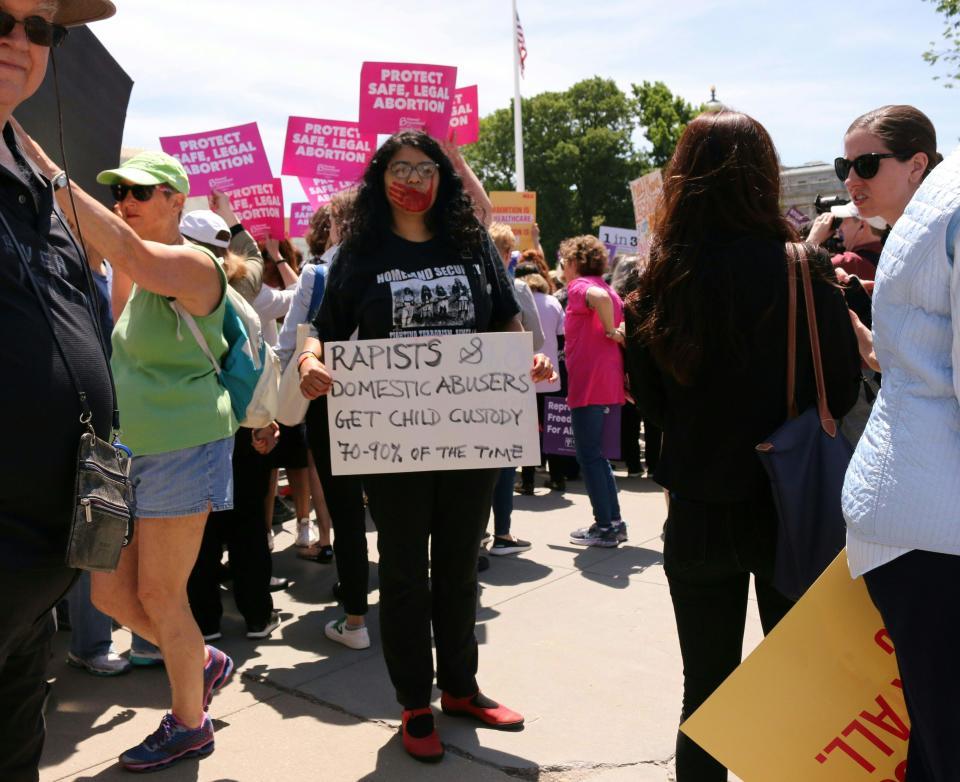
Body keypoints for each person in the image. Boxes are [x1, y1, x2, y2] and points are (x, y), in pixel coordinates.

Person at [298, 130, 553, 762]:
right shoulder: (361, 253)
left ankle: (461, 688)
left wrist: (534, 357)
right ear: (381, 177)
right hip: (394, 445)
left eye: (426, 168)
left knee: (462, 567)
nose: (413, 180)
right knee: (406, 572)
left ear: (443, 177)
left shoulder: (472, 247)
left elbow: (506, 319)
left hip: (470, 435)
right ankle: (415, 701)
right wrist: (308, 359)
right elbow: (321, 329)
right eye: (400, 168)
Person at [624, 110, 862, 782]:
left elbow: (651, 405)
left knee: (707, 690)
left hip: (699, 507)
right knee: (797, 690)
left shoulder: (654, 283)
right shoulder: (802, 269)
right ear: (763, 177)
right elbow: (840, 391)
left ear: (682, 181)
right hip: (792, 507)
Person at [13, 128, 242, 769]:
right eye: (119, 193)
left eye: (140, 192)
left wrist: (38, 158)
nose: (126, 202)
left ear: (175, 201)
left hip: (183, 447)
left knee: (165, 597)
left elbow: (129, 251)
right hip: (122, 451)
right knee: (110, 595)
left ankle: (190, 722)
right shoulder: (130, 276)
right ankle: (195, 658)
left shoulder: (196, 267)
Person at [0, 2, 116, 779]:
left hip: (39, 576)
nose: (20, 40)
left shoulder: (36, 173)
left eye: (40, 27)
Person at [838, 106, 955, 781]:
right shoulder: (932, 225)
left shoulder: (929, 225)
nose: (851, 180)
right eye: (843, 166)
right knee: (943, 733)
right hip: (926, 524)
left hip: (915, 519)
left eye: (865, 164)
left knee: (936, 731)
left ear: (917, 163)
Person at [561, 235, 628, 548]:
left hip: (589, 384)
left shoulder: (580, 287)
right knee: (598, 457)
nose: (562, 269)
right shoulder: (612, 290)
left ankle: (605, 526)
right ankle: (612, 522)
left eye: (564, 263)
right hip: (607, 380)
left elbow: (596, 299)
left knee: (590, 456)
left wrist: (612, 330)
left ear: (575, 262)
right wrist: (615, 331)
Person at [486, 222, 543, 552]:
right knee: (506, 461)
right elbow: (536, 339)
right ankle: (503, 532)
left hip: (472, 385)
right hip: (509, 384)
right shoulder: (517, 289)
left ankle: (477, 532)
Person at [514, 263, 568, 493]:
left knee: (529, 431)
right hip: (551, 375)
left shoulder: (519, 301)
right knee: (552, 429)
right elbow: (562, 339)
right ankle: (557, 477)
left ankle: (527, 481)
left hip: (527, 375)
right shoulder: (553, 302)